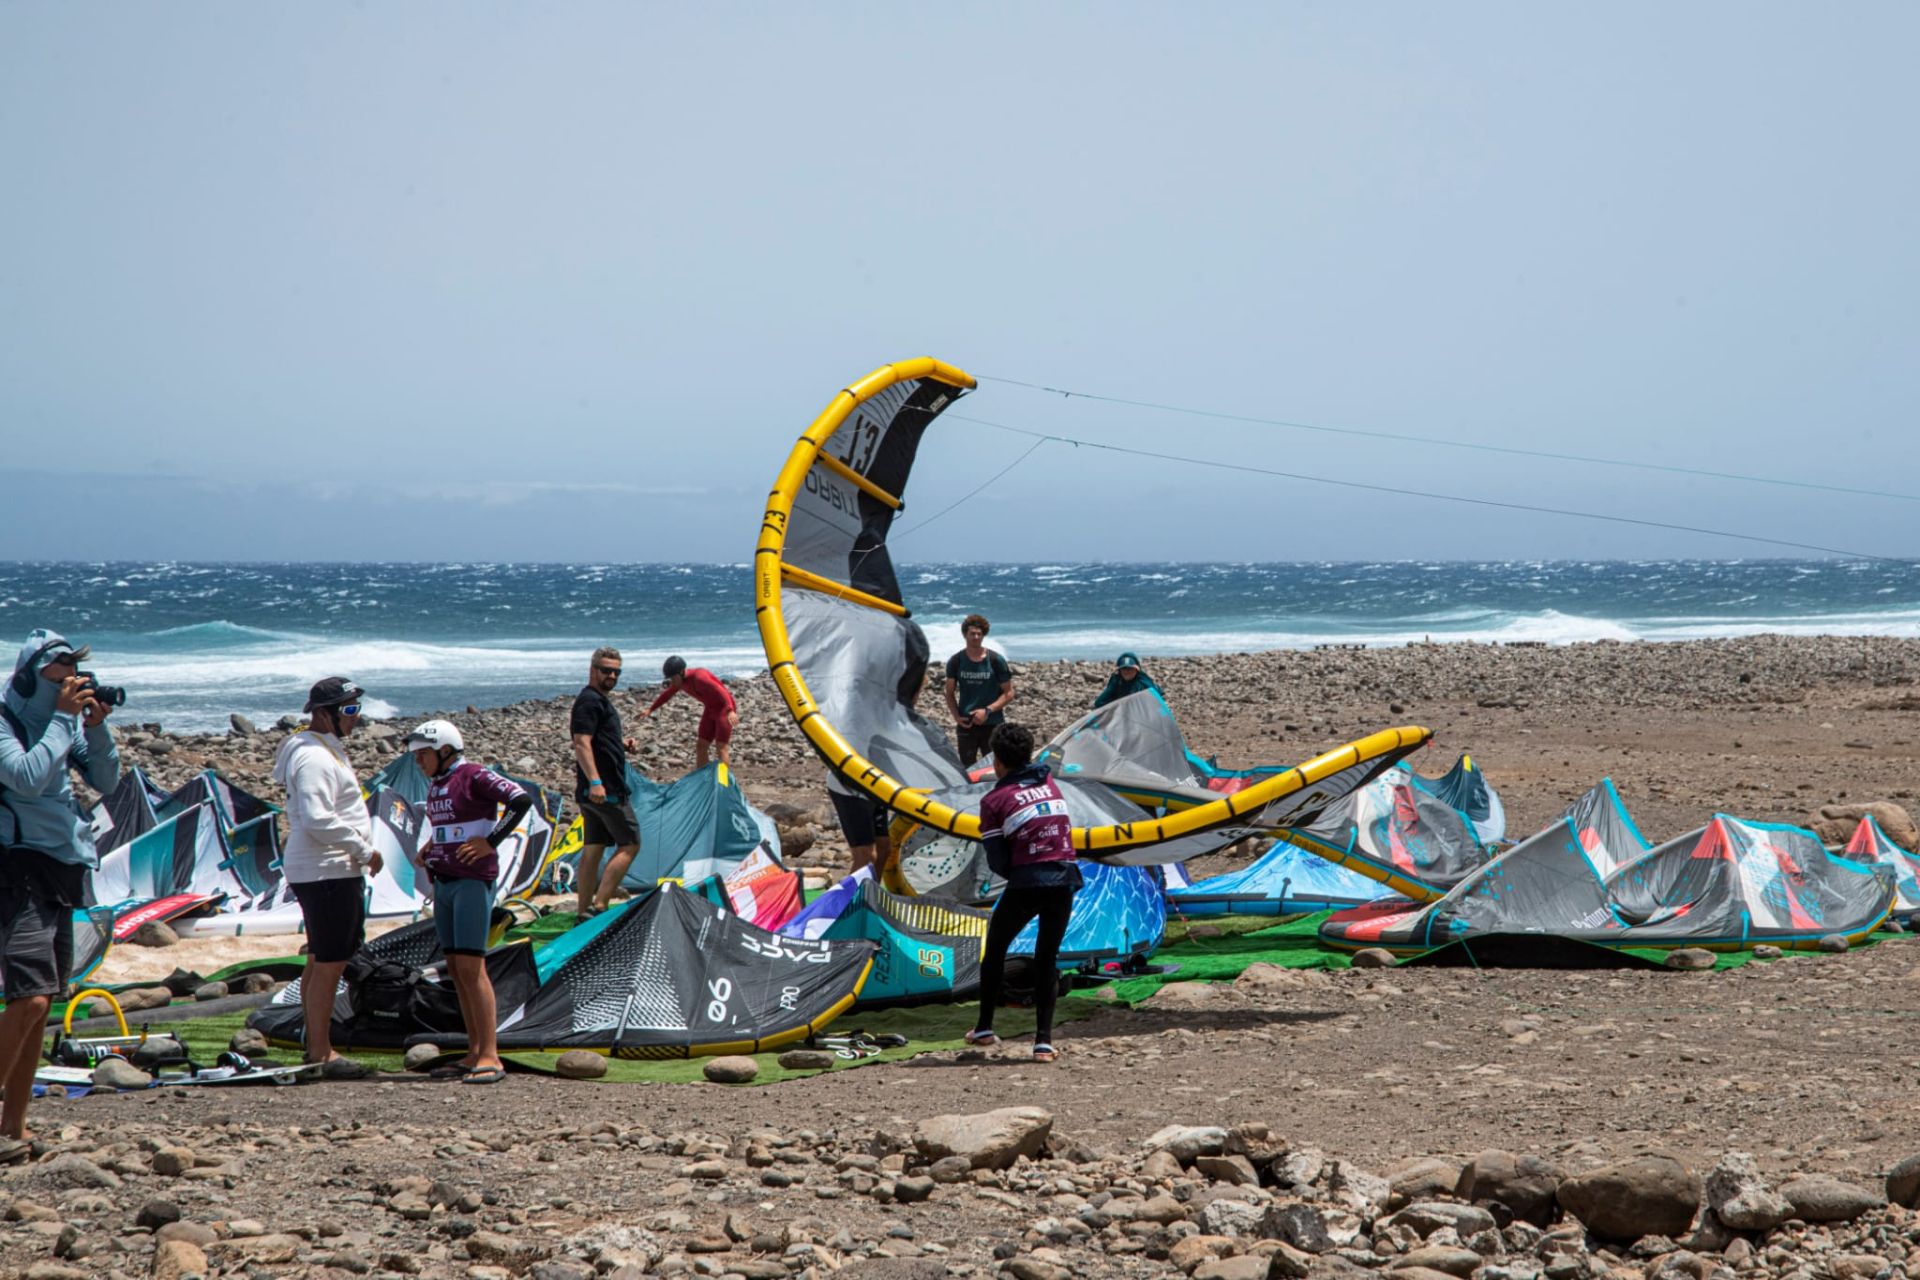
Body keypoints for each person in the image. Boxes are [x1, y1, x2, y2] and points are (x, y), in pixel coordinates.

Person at [0, 630, 119, 1160]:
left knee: (43, 1002)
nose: (71, 677)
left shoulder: (62, 723)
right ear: (31, 674)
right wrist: (66, 720)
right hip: (16, 865)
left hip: (62, 868)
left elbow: (108, 781)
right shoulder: (5, 721)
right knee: (28, 996)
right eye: (61, 668)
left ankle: (14, 1126)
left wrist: (97, 730)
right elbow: (23, 779)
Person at [405, 719, 531, 1085]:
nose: (418, 763)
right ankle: (474, 1051)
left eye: (423, 755)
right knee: (457, 969)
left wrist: (491, 842)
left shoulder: (473, 774)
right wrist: (432, 848)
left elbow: (520, 800)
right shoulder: (438, 785)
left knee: (473, 969)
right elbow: (449, 827)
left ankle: (491, 1054)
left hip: (472, 883)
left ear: (445, 750)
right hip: (444, 883)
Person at [272, 676, 383, 1080]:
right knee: (330, 963)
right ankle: (321, 1050)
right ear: (324, 714)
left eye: (358, 709)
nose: (357, 719)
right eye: (350, 710)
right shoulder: (313, 756)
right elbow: (318, 818)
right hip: (327, 868)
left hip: (325, 868)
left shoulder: (317, 749)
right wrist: (364, 850)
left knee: (321, 957)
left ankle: (314, 1042)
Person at [965, 721, 1081, 1064]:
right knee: (1048, 957)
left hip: (1030, 880)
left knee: (996, 947)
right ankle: (1043, 1042)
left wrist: (1021, 874)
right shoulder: (1048, 782)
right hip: (1064, 877)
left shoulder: (994, 800)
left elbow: (998, 860)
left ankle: (984, 1027)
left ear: (997, 762)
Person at [569, 647, 639, 915]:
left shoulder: (597, 700)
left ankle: (583, 910)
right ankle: (600, 905)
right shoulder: (589, 701)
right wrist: (596, 781)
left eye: (616, 672)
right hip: (604, 790)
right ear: (593, 670)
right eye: (606, 670)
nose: (612, 675)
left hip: (593, 791)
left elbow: (597, 739)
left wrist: (621, 744)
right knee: (631, 843)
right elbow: (581, 742)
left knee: (594, 847)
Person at [943, 614, 1013, 767]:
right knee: (968, 768)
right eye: (972, 633)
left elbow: (1009, 693)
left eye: (979, 634)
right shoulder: (956, 661)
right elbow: (949, 693)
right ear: (964, 635)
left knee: (997, 767)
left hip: (993, 723)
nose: (975, 637)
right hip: (967, 724)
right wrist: (956, 716)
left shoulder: (995, 660)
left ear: (983, 635)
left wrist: (987, 711)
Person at [646, 656, 738, 768]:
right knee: (701, 745)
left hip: (724, 710)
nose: (672, 681)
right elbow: (667, 694)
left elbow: (721, 691)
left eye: (673, 677)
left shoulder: (699, 677)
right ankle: (702, 779)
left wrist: (730, 710)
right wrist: (650, 709)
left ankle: (723, 782)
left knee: (721, 747)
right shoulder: (680, 682)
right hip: (710, 709)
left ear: (681, 672)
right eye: (670, 678)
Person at [1092, 651, 1163, 709]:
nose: (1126, 672)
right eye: (1124, 669)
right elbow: (1099, 702)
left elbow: (1157, 695)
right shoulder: (1117, 681)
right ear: (1120, 671)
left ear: (1136, 670)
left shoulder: (1141, 681)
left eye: (1130, 669)